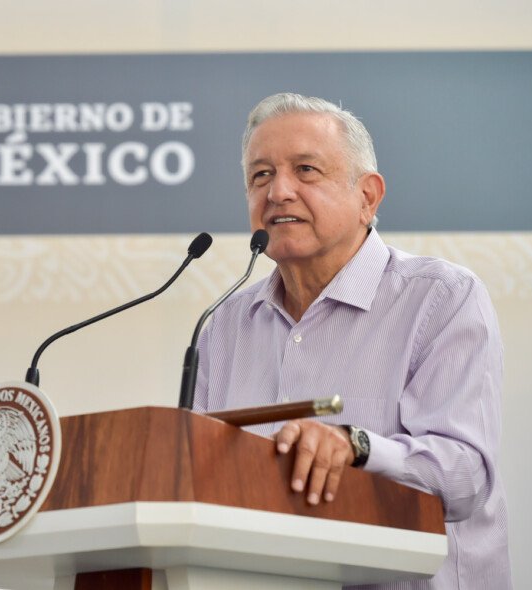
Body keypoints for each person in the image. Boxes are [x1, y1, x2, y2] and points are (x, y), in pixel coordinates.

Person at [192, 93, 511, 589]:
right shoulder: (225, 324)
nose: (278, 191)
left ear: (368, 197)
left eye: (305, 170)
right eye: (260, 175)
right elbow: (195, 477)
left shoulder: (441, 298)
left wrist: (355, 447)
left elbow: (466, 478)